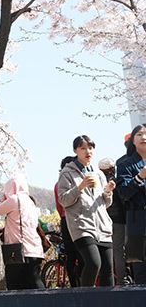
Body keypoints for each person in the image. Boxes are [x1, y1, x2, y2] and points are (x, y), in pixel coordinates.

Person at [58, 135, 115, 287]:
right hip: (82, 225)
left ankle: (108, 302)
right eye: (83, 148)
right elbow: (63, 200)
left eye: (90, 147)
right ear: (75, 150)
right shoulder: (67, 173)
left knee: (108, 268)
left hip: (102, 226)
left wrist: (108, 192)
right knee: (94, 263)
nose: (87, 151)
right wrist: (80, 187)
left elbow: (106, 203)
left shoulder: (99, 173)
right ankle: (86, 299)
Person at [0, 175, 45, 290]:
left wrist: (3, 199)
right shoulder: (30, 201)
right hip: (35, 249)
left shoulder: (15, 199)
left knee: (14, 286)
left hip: (18, 250)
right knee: (33, 283)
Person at [117, 123, 146, 284]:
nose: (144, 137)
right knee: (141, 271)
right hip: (138, 220)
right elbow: (123, 193)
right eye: (140, 134)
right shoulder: (124, 165)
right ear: (132, 140)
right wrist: (140, 177)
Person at [54, 155, 83, 287]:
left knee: (72, 255)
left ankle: (75, 284)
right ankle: (79, 283)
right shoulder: (65, 183)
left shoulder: (58, 184)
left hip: (65, 221)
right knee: (79, 254)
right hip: (71, 220)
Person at [100, 157, 127, 285]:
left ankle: (112, 281)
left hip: (104, 222)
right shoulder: (115, 182)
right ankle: (122, 280)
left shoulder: (99, 183)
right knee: (119, 252)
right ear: (112, 169)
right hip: (119, 221)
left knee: (110, 252)